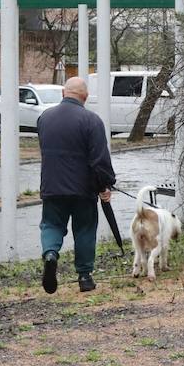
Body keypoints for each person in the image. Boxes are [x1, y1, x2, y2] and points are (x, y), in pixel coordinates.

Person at [37, 76, 115, 294]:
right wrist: (105, 186)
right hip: (83, 190)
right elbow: (99, 160)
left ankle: (51, 254)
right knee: (84, 230)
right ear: (85, 97)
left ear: (63, 93)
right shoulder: (92, 121)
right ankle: (84, 276)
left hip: (52, 186)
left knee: (51, 225)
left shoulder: (44, 118)